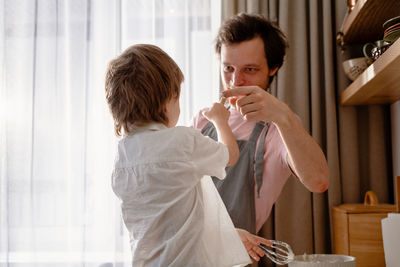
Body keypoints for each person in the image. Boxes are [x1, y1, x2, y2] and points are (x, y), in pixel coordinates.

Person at [105, 44, 269, 266]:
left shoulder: (121, 157)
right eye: (176, 98)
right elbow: (230, 155)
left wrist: (230, 233)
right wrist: (220, 120)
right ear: (165, 105)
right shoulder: (183, 141)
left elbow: (170, 220)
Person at [193, 13, 330, 260]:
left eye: (250, 69)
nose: (235, 81)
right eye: (228, 68)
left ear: (273, 68)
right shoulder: (203, 120)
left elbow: (319, 181)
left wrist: (284, 116)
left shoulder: (279, 130)